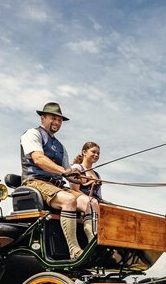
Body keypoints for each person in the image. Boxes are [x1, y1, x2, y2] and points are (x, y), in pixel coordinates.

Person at [19, 102, 94, 259]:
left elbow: (69, 174)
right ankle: (74, 250)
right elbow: (38, 159)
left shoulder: (61, 147)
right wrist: (64, 171)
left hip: (56, 185)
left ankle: (92, 244)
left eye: (60, 120)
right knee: (68, 200)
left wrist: (79, 177)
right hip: (35, 182)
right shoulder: (33, 134)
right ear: (43, 118)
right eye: (53, 118)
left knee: (90, 203)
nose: (57, 123)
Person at [70, 142, 103, 244]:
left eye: (98, 153)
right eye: (93, 152)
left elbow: (99, 196)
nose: (96, 155)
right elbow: (75, 189)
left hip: (95, 201)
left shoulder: (96, 174)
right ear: (84, 152)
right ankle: (92, 236)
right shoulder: (78, 168)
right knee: (93, 203)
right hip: (82, 201)